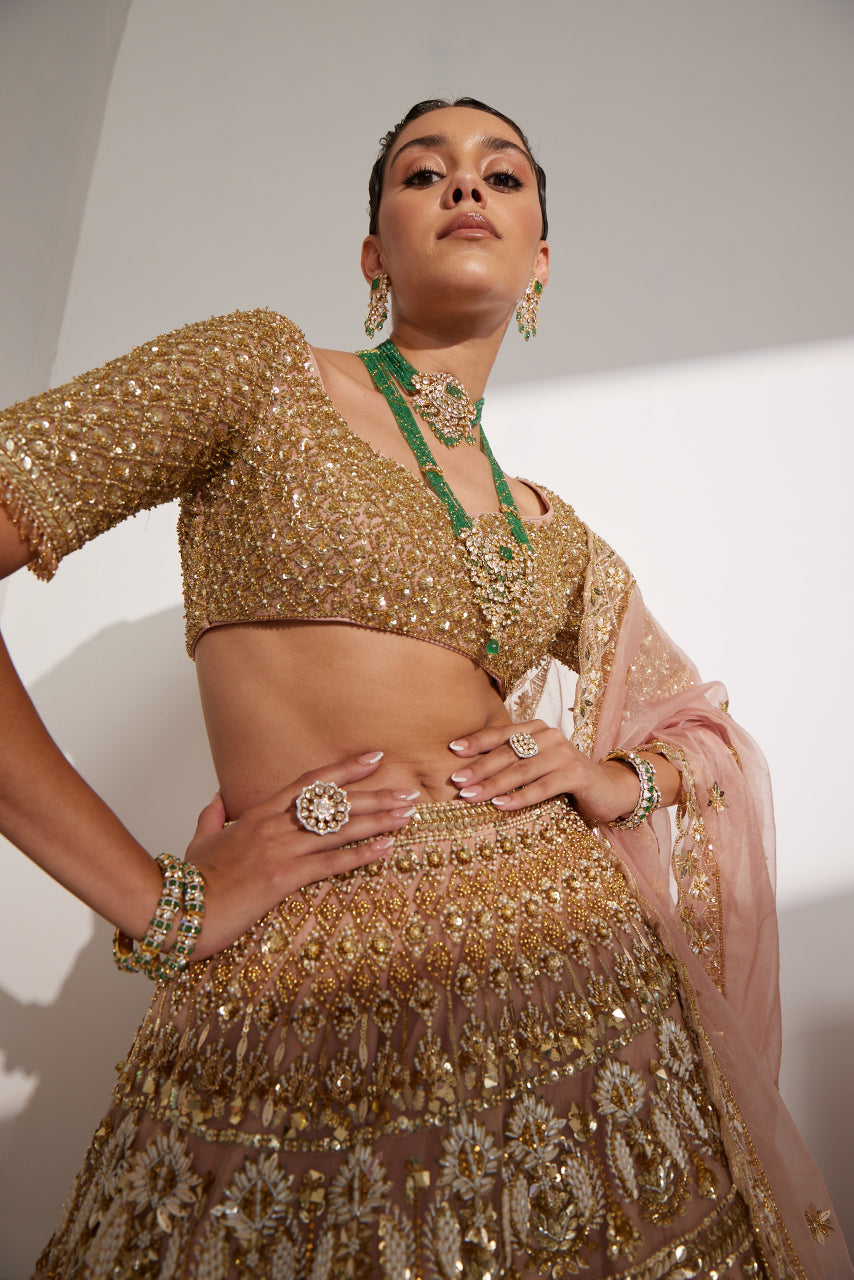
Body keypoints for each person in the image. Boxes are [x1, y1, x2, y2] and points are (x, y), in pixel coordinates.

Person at [0, 97, 848, 1280]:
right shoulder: (259, 375)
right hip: (301, 973)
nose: (464, 187)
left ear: (539, 260)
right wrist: (159, 901)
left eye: (501, 175)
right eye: (422, 172)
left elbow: (702, 728)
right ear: (372, 254)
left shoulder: (547, 529)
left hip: (574, 976)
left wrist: (610, 776)